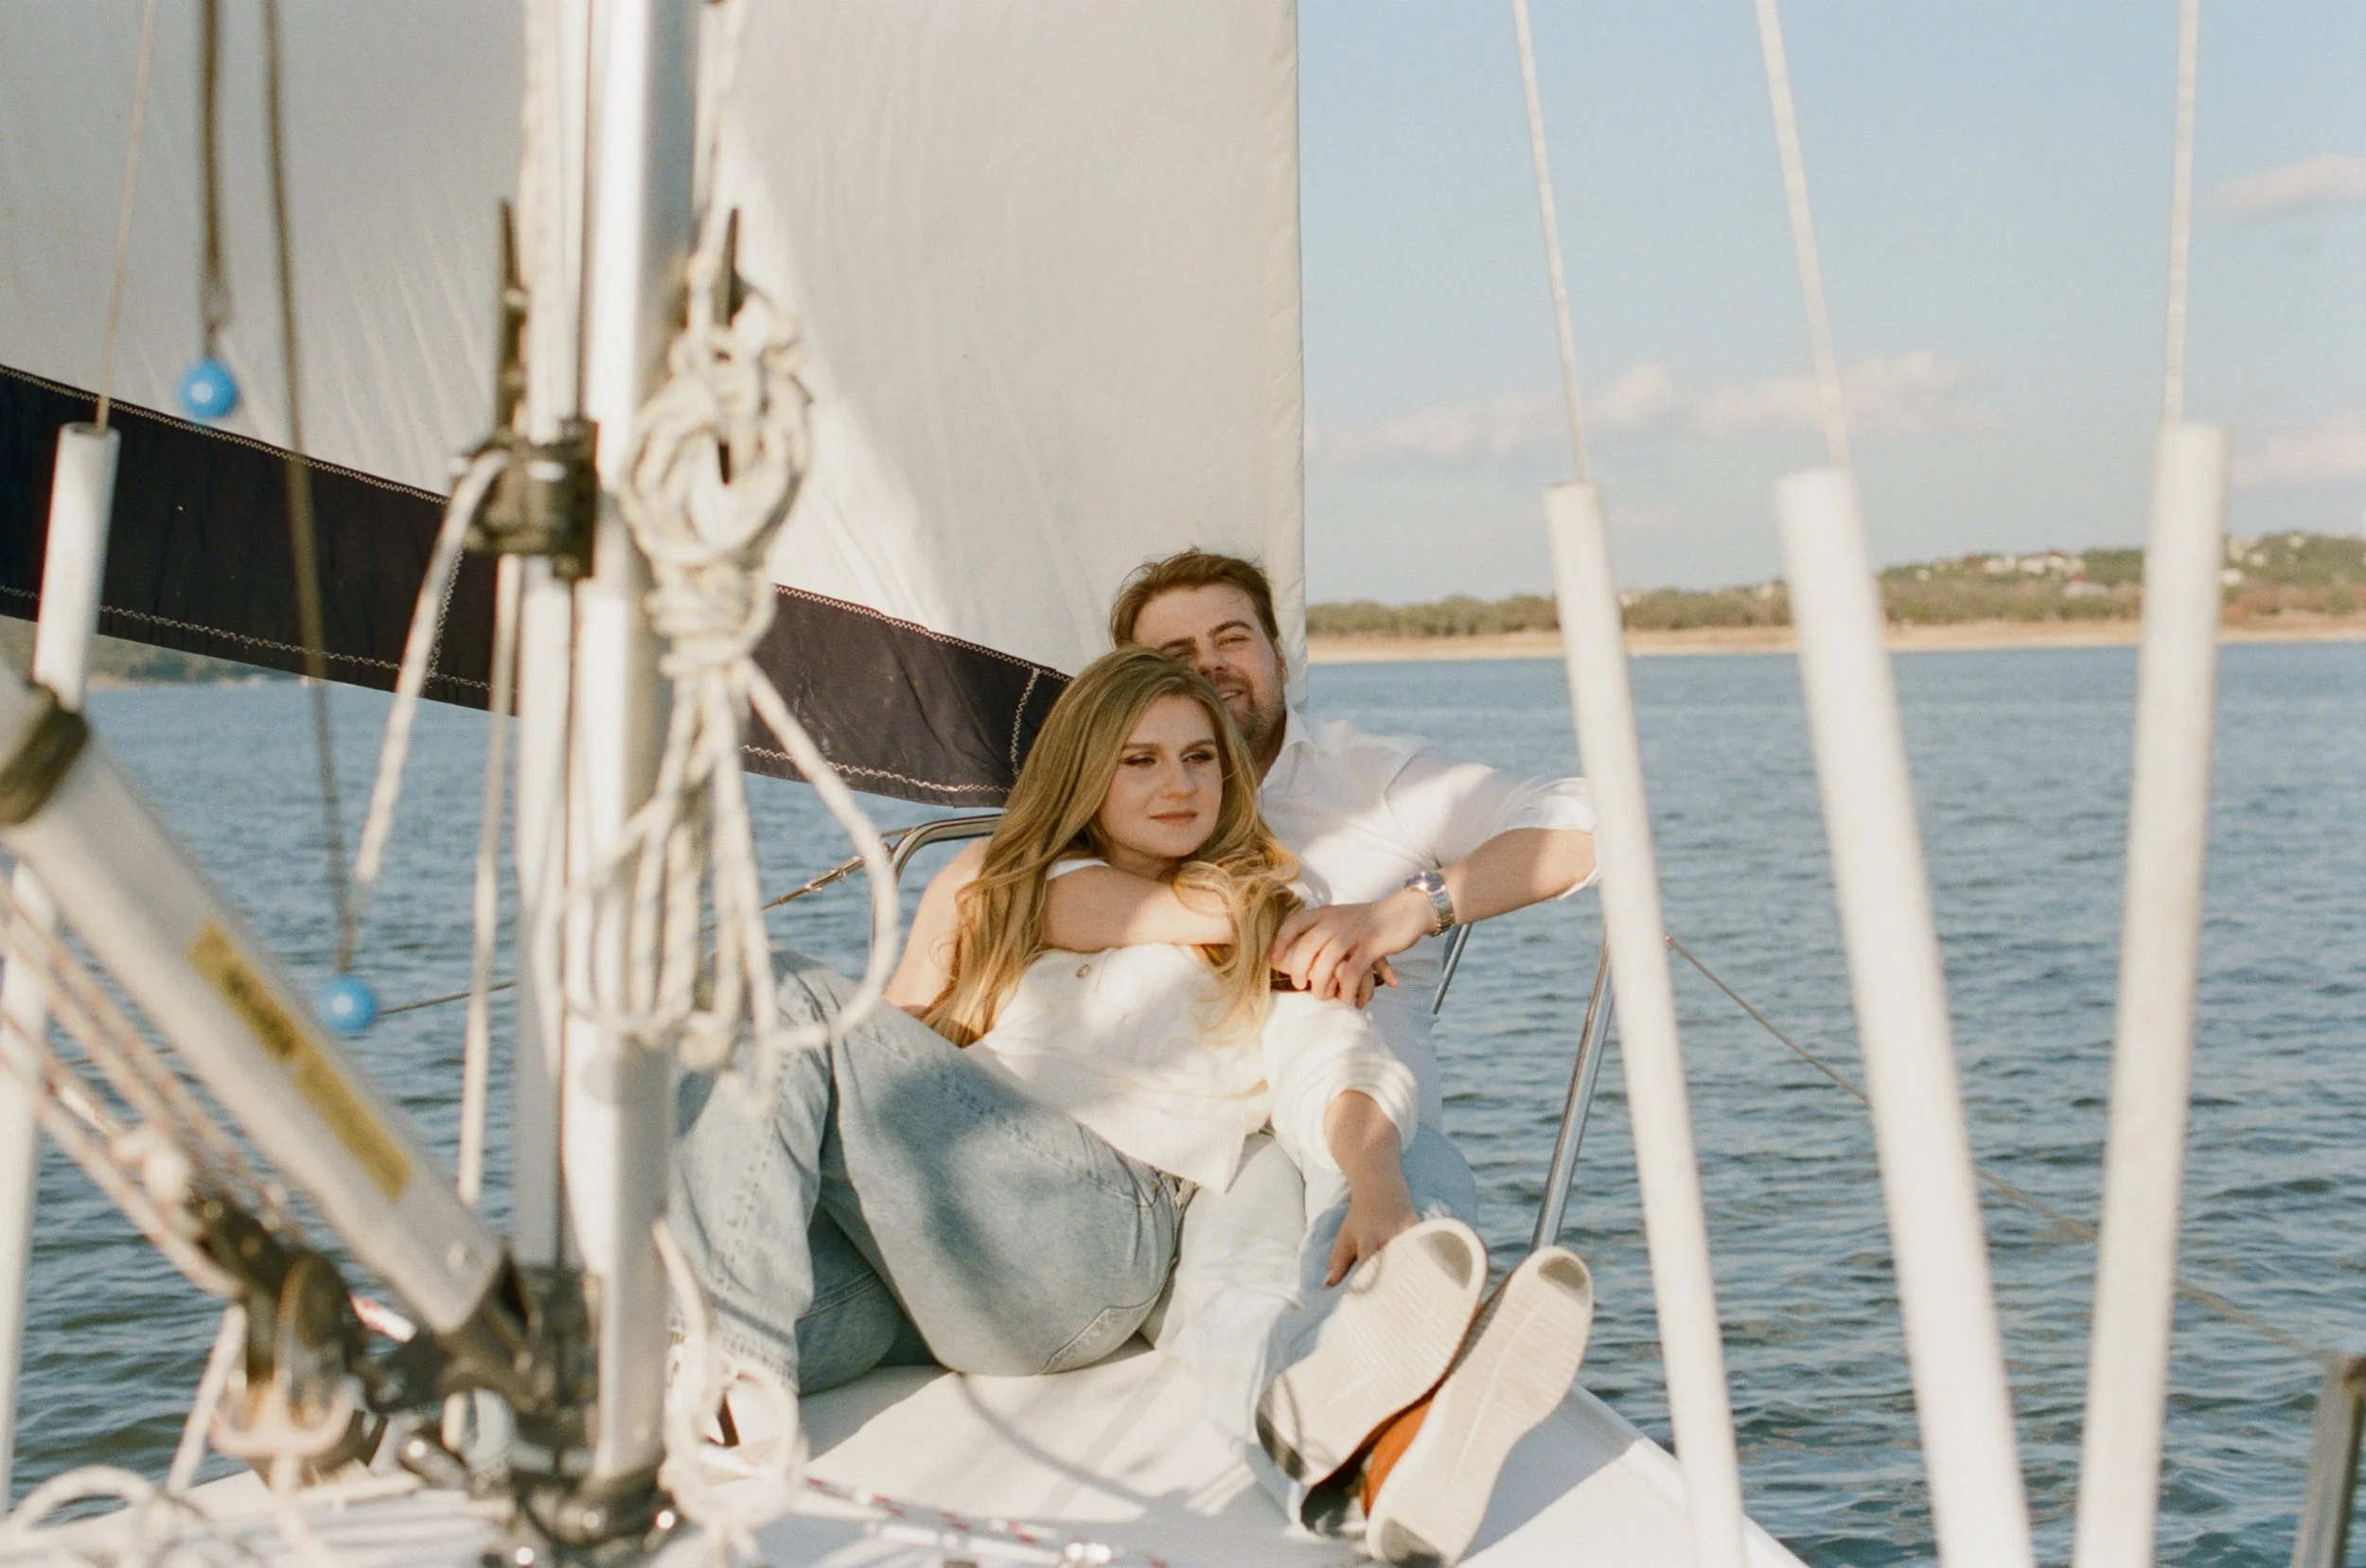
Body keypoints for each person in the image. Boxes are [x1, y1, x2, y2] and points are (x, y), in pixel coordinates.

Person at [1088, 549, 1599, 1560]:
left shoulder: (1372, 780)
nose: (1211, 664)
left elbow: (1587, 823)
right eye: (1177, 652)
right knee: (1231, 1287)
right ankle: (1414, 1428)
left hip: (1366, 1094)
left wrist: (1407, 909)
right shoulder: (1118, 795)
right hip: (1216, 1138)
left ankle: (1385, 1411)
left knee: (1397, 1195)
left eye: (1232, 638)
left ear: (1279, 656)